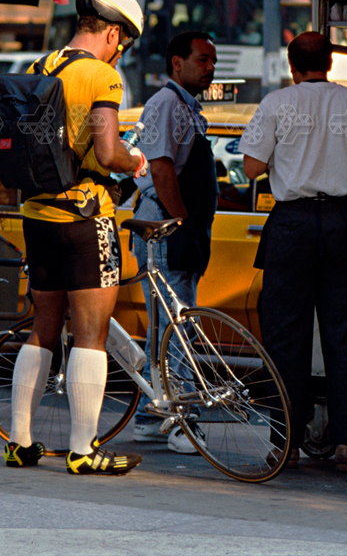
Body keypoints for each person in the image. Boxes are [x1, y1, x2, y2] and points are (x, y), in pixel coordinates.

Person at [4, 0, 150, 475]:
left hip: (37, 214)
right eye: (123, 43)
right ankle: (83, 450)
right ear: (112, 33)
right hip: (86, 220)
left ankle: (19, 442)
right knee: (90, 334)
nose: (120, 52)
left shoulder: (40, 67)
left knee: (42, 329)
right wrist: (135, 160)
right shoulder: (101, 75)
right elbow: (107, 152)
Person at [241, 32, 347, 472]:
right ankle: (346, 445)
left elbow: (251, 167)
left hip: (292, 224)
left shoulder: (276, 104)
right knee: (344, 336)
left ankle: (286, 444)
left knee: (285, 338)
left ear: (291, 64)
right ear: (331, 62)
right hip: (344, 222)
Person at [129, 31, 219, 453]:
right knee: (176, 329)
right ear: (176, 63)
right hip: (166, 230)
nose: (210, 68)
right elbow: (161, 169)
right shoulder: (166, 104)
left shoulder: (188, 108)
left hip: (178, 228)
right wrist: (181, 222)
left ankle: (151, 415)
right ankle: (181, 420)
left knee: (167, 328)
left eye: (212, 61)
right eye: (202, 59)